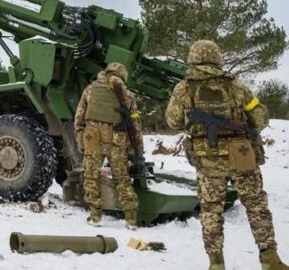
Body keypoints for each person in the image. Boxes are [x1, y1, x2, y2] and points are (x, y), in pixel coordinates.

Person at [165, 39, 287, 270]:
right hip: (241, 155)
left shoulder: (183, 89)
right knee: (256, 205)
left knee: (211, 210)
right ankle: (270, 259)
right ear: (217, 58)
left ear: (192, 59)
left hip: (207, 158)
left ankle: (216, 264)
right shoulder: (236, 86)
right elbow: (259, 119)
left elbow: (173, 121)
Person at [74, 61, 143, 228]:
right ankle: (131, 219)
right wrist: (137, 150)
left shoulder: (90, 89)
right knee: (122, 179)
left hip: (93, 139)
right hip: (116, 141)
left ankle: (95, 216)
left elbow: (79, 116)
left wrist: (80, 138)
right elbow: (135, 125)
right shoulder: (127, 94)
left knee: (91, 177)